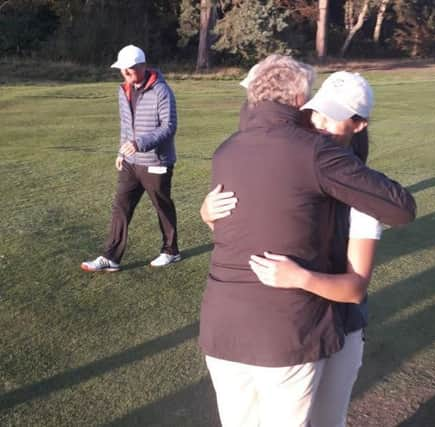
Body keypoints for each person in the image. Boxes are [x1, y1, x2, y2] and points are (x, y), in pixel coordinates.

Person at [199, 56, 416, 427]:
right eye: (317, 113)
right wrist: (206, 213)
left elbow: (356, 283)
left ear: (359, 124)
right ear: (303, 105)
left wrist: (300, 278)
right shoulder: (299, 153)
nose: (321, 124)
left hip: (319, 323)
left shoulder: (232, 151)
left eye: (334, 117)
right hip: (285, 329)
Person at [81, 45, 180, 272]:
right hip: (130, 162)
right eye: (123, 69)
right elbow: (126, 126)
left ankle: (171, 251)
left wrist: (139, 144)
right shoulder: (123, 90)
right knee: (121, 206)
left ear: (143, 66)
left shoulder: (161, 91)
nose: (125, 74)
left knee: (162, 206)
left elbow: (169, 127)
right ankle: (111, 257)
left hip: (156, 161)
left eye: (130, 69)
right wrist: (121, 152)